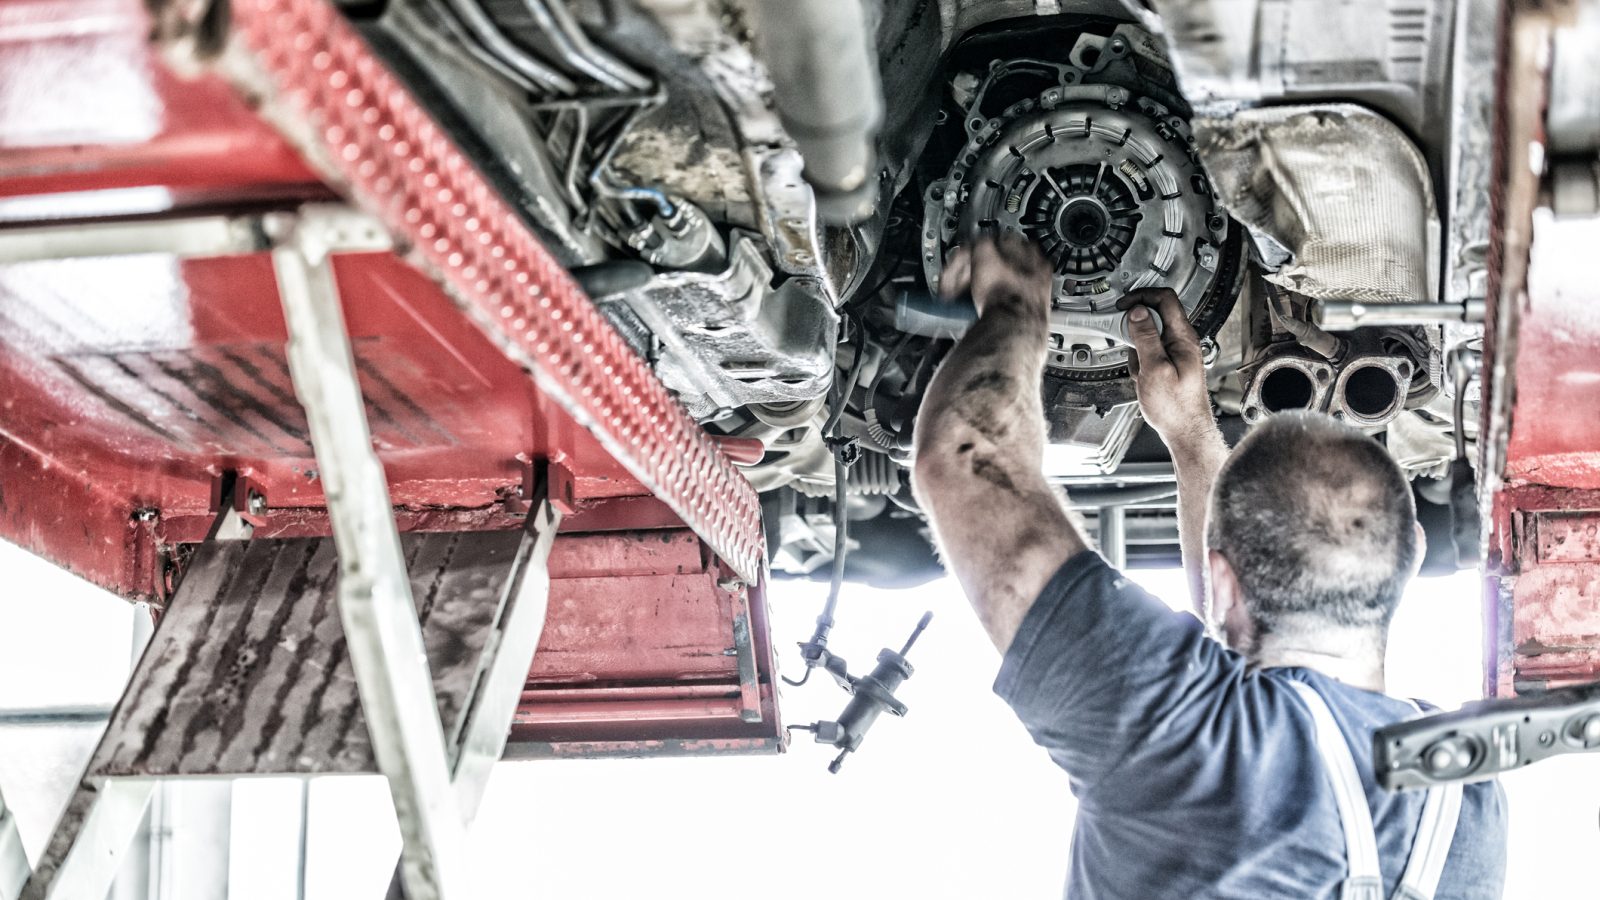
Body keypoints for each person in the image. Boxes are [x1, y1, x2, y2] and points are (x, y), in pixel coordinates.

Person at [911, 234, 1508, 899]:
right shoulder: (1464, 800)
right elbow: (1239, 696)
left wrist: (1018, 305)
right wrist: (1190, 436)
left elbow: (967, 456)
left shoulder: (1182, 731)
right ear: (1401, 570)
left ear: (1221, 582)